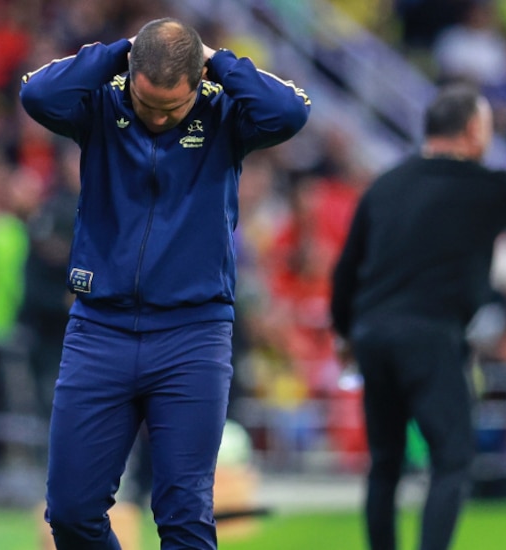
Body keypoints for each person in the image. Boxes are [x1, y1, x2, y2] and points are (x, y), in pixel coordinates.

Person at [20, 17, 310, 549]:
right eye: (146, 101)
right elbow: (37, 93)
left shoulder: (225, 112)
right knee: (70, 511)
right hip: (99, 329)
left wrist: (217, 60)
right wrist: (117, 53)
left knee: (183, 514)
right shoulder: (101, 105)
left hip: (193, 334)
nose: (156, 117)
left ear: (199, 82)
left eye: (170, 107)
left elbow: (291, 110)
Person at [330, 84, 506, 550]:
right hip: (430, 336)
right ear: (475, 129)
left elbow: (346, 269)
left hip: (372, 335)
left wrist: (344, 333)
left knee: (386, 464)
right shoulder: (487, 186)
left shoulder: (386, 185)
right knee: (453, 459)